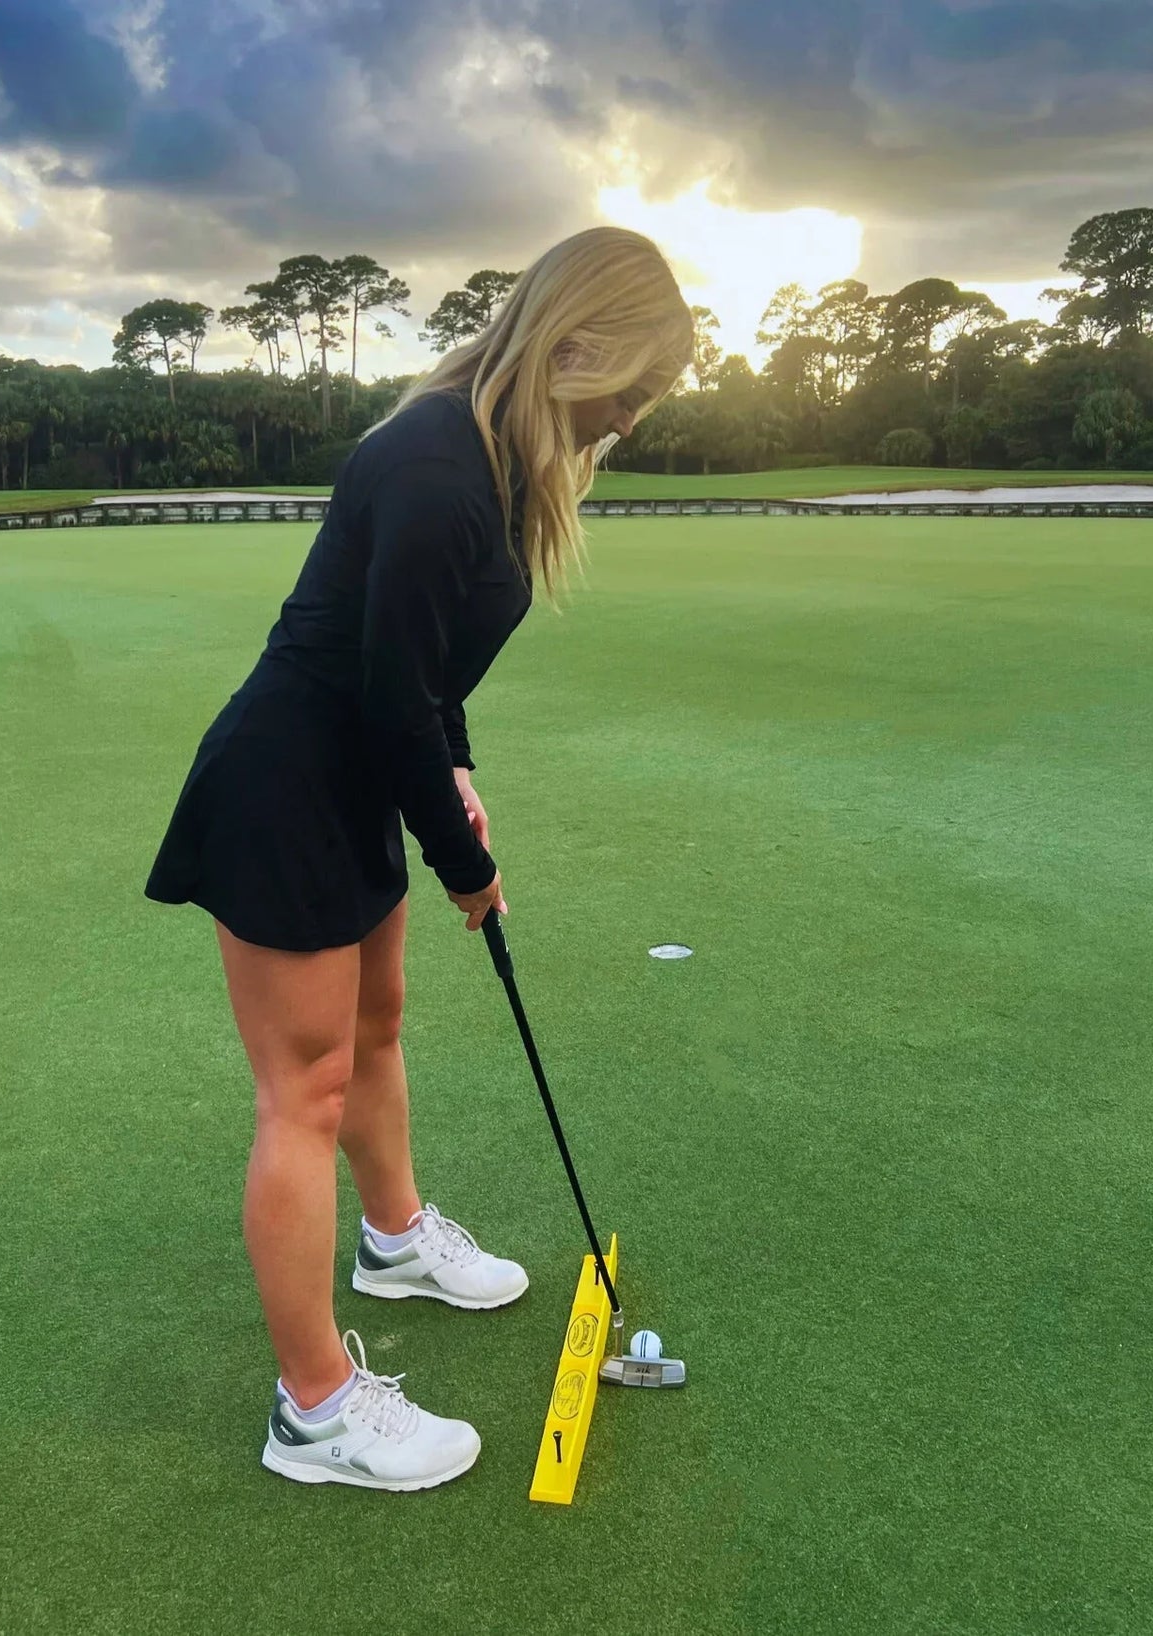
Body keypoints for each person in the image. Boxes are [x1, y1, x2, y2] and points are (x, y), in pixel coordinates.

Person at [143, 226, 694, 1492]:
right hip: (287, 787)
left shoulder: (487, 451)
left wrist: (456, 776)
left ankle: (391, 1239)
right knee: (304, 1092)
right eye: (635, 387)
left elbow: (421, 678)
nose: (634, 416)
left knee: (375, 1027)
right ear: (578, 343)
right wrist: (460, 857)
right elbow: (390, 688)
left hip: (358, 779)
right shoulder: (439, 463)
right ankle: (316, 1411)